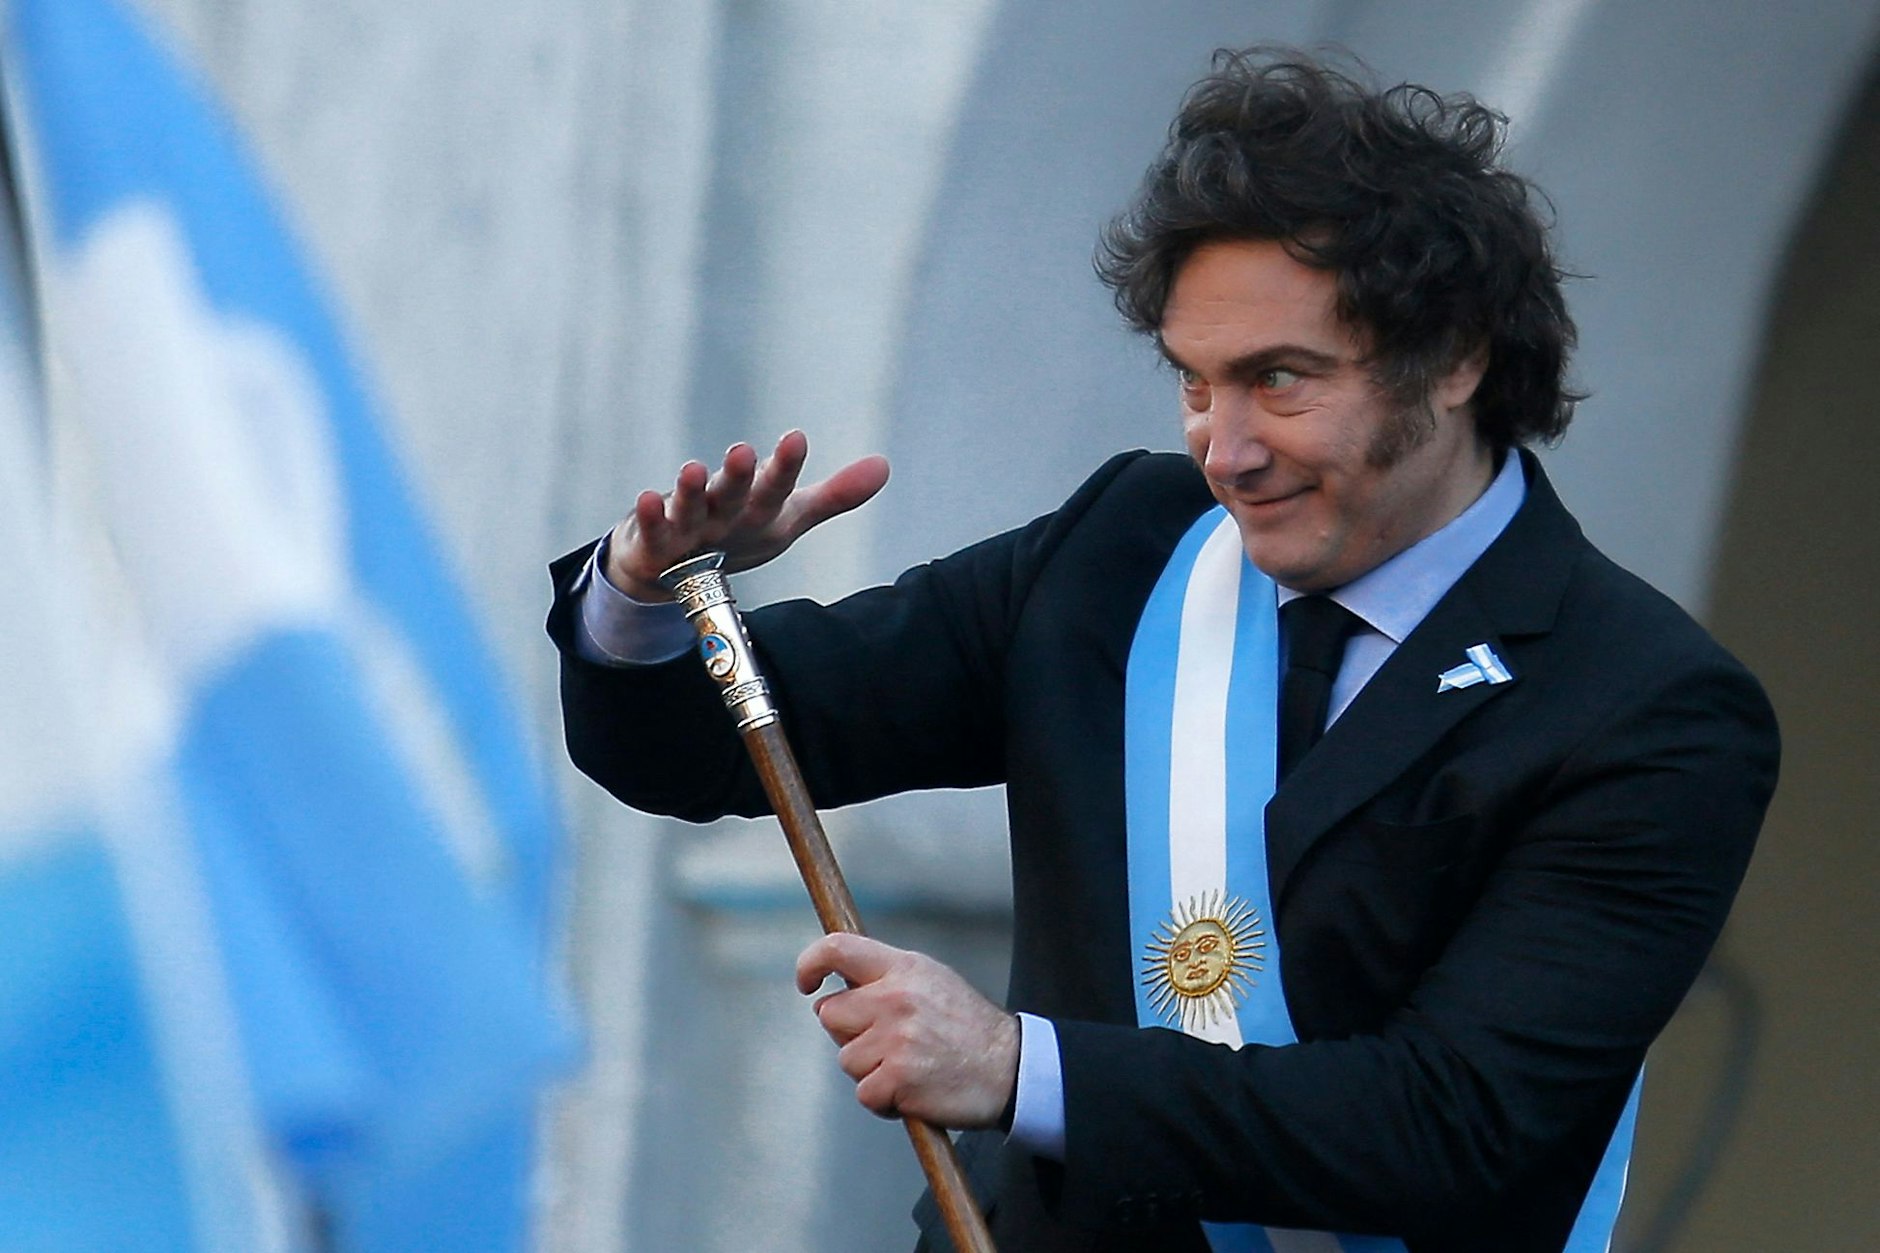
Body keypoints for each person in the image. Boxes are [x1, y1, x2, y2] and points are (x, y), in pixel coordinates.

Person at [546, 49, 1778, 1252]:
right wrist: (650, 594)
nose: (1223, 449)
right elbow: (707, 749)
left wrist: (1015, 1063)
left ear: (1453, 357)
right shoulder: (1123, 547)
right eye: (1194, 384)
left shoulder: (1647, 708)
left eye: (1279, 381)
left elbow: (1452, 1124)